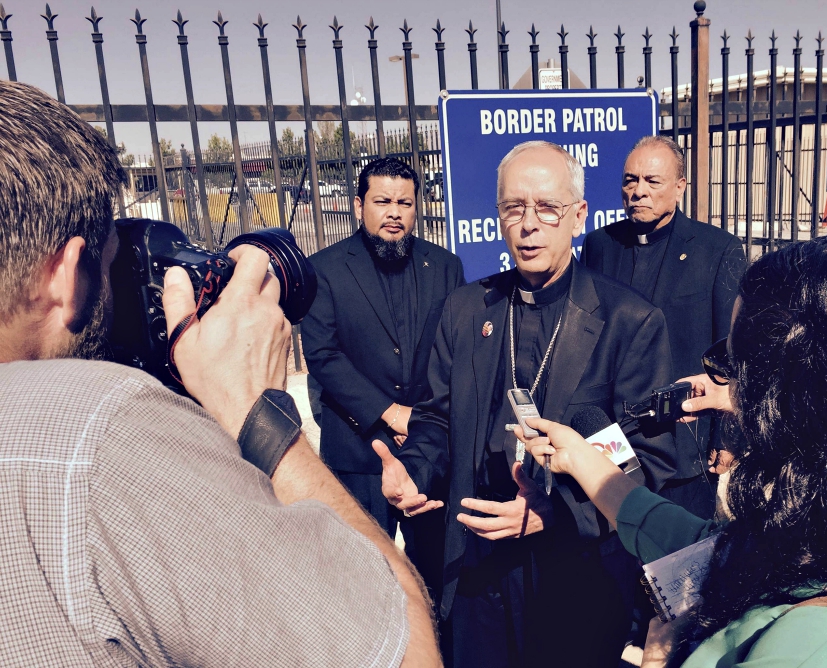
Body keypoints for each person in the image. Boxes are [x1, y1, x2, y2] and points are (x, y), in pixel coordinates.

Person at [0, 80, 440, 667]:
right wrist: (254, 410)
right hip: (352, 459)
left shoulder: (444, 266)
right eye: (112, 260)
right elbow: (403, 648)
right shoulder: (111, 435)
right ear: (66, 274)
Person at [518, 230, 827, 668]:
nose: (726, 388)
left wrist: (661, 657)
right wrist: (582, 459)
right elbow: (714, 554)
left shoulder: (814, 650)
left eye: (734, 363)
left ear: (791, 405)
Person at [375, 140, 680, 668]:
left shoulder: (629, 321)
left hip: (575, 571)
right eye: (514, 208)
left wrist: (555, 513)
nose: (528, 224)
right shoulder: (467, 309)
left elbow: (648, 460)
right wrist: (414, 470)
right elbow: (435, 418)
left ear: (578, 215)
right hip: (476, 564)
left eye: (546, 208)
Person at [301, 157, 464, 594]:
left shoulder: (446, 267)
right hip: (358, 455)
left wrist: (426, 421)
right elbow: (322, 355)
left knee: (434, 577)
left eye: (405, 202)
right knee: (362, 581)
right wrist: (391, 414)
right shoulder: (324, 270)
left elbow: (454, 353)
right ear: (359, 206)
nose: (394, 212)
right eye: (382, 201)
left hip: (428, 454)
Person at [581, 135, 746, 519]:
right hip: (612, 437)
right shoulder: (599, 245)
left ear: (679, 187)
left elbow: (731, 350)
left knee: (679, 563)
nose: (639, 191)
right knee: (616, 554)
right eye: (630, 180)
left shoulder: (716, 249)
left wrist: (726, 437)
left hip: (685, 441)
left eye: (653, 181)